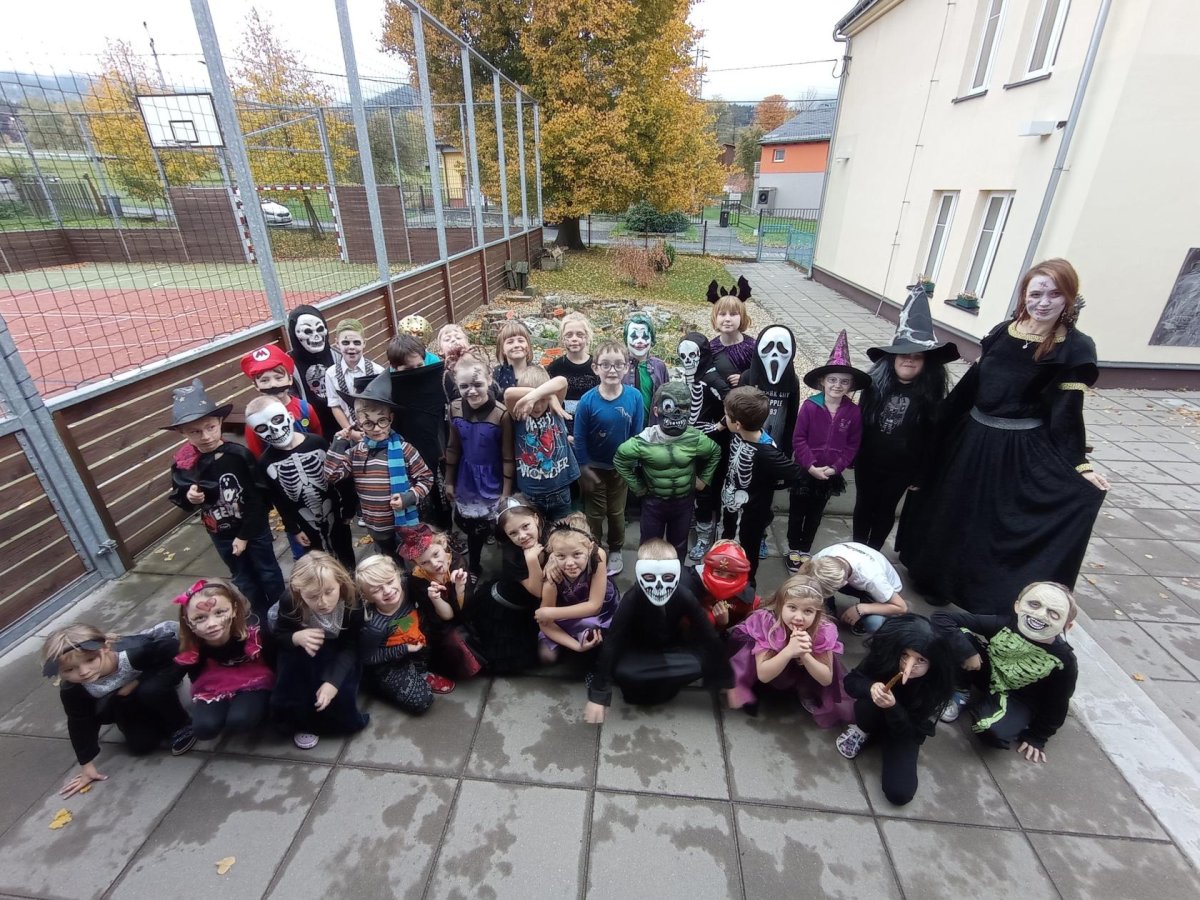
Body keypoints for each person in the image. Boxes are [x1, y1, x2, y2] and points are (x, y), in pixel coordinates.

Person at [899, 259, 1110, 614]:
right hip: (970, 439)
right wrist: (936, 419)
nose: (1043, 302)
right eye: (1036, 294)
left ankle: (983, 591)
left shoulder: (1074, 347)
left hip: (1015, 450)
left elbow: (1067, 413)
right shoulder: (1003, 331)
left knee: (991, 521)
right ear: (1024, 295)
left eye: (1055, 294)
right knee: (951, 510)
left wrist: (1079, 464)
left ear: (1069, 298)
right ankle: (935, 579)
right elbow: (974, 384)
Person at [165, 378, 284, 622]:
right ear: (182, 432)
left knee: (268, 572)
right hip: (221, 532)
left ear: (219, 422)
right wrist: (190, 497)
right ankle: (260, 617)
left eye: (210, 427)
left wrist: (244, 536)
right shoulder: (184, 463)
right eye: (195, 432)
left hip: (253, 529)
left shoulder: (238, 456)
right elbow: (182, 499)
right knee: (242, 577)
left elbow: (258, 497)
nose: (206, 436)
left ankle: (282, 612)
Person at [583, 539, 733, 723]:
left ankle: (655, 680)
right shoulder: (631, 599)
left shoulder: (684, 595)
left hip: (671, 650)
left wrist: (727, 677)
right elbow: (613, 642)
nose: (660, 586)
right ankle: (658, 681)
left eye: (668, 578)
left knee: (708, 660)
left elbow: (707, 635)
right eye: (650, 578)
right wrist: (599, 695)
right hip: (638, 654)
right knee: (623, 670)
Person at [854, 284, 958, 550]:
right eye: (904, 354)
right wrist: (851, 455)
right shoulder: (874, 388)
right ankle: (857, 549)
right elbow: (860, 423)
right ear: (892, 358)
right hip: (869, 461)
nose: (909, 360)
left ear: (926, 362)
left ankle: (874, 551)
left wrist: (922, 474)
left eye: (917, 356)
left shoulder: (930, 397)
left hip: (903, 468)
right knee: (864, 504)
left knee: (886, 508)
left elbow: (932, 439)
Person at [932, 582, 1079, 763]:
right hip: (988, 673)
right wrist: (968, 653)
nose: (1041, 614)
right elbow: (942, 618)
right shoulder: (1005, 623)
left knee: (991, 733)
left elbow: (1058, 702)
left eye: (1054, 613)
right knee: (957, 636)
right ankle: (960, 691)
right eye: (1034, 604)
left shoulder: (1064, 661)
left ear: (1067, 626)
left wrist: (1038, 736)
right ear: (1017, 606)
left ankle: (998, 711)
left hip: (1018, 697)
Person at [42, 621, 192, 797]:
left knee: (152, 690)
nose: (83, 672)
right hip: (124, 700)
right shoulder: (72, 689)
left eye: (90, 660)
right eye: (69, 670)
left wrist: (138, 682)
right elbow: (79, 721)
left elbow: (176, 651)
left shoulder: (136, 651)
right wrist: (86, 764)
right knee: (141, 745)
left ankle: (181, 724)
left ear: (105, 648)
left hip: (152, 674)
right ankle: (146, 710)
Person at [835, 614, 956, 806]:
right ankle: (862, 730)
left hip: (903, 727)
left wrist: (893, 708)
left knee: (899, 793)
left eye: (920, 660)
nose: (909, 667)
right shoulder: (886, 657)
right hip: (871, 712)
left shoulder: (935, 685)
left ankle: (883, 739)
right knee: (868, 705)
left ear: (933, 662)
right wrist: (870, 687)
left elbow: (915, 732)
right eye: (905, 655)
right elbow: (851, 682)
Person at [324, 372, 433, 558]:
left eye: (382, 421)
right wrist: (339, 442)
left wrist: (408, 497)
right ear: (358, 424)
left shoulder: (405, 450)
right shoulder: (356, 453)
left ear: (391, 418)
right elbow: (331, 475)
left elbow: (426, 478)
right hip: (376, 526)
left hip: (405, 525)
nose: (376, 429)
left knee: (411, 562)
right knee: (387, 560)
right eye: (368, 423)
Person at [785, 330, 867, 572]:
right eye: (832, 380)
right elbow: (798, 438)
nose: (837, 385)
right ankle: (793, 547)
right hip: (805, 471)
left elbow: (853, 444)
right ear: (823, 381)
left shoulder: (853, 412)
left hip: (830, 473)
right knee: (797, 511)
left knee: (815, 513)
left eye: (844, 381)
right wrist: (810, 465)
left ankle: (805, 548)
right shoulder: (810, 407)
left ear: (851, 385)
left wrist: (836, 468)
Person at [271, 552, 370, 750]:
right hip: (304, 647)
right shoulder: (290, 601)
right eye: (312, 596)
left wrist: (333, 682)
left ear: (340, 582)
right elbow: (279, 634)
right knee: (294, 685)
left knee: (339, 693)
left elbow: (352, 645)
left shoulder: (352, 599)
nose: (322, 602)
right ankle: (300, 722)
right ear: (299, 591)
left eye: (329, 592)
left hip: (340, 648)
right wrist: (296, 637)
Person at [614, 381, 720, 561]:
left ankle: (677, 576)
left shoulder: (695, 438)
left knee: (679, 545)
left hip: (683, 502)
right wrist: (637, 486)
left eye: (683, 407)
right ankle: (647, 576)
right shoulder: (644, 440)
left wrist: (703, 479)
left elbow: (715, 452)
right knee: (649, 546)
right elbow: (620, 459)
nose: (677, 412)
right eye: (670, 406)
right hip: (654, 503)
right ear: (657, 411)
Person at [248, 396, 356, 571]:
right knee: (317, 564)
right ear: (257, 433)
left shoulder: (317, 443)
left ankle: (351, 585)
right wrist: (294, 529)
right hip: (305, 524)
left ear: (290, 417)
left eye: (277, 420)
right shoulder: (266, 462)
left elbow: (339, 477)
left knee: (345, 554)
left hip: (336, 515)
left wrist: (349, 509)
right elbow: (278, 500)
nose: (274, 430)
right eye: (262, 428)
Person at [727, 575, 851, 726]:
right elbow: (764, 675)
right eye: (792, 607)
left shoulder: (823, 629)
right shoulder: (765, 621)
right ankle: (751, 686)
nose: (799, 617)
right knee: (749, 653)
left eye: (808, 611)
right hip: (763, 661)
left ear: (817, 613)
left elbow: (826, 678)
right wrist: (790, 650)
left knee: (825, 663)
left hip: (798, 661)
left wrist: (804, 654)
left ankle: (806, 690)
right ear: (781, 605)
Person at [718, 386, 804, 584]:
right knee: (726, 550)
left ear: (737, 424)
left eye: (726, 416)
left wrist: (770, 485)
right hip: (730, 509)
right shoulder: (740, 432)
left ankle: (746, 591)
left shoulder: (767, 452)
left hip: (749, 517)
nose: (724, 419)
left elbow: (795, 473)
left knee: (744, 560)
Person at [573, 341, 644, 576]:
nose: (612, 370)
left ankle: (615, 549)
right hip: (593, 468)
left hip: (620, 469)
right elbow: (580, 436)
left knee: (616, 512)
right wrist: (583, 466)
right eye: (605, 365)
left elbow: (637, 433)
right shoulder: (587, 401)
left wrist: (632, 463)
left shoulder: (634, 397)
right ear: (595, 368)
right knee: (594, 514)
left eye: (618, 365)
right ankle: (594, 548)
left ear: (627, 367)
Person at [174, 579, 274, 744]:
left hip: (254, 678)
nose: (211, 624)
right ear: (188, 622)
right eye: (200, 617)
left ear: (234, 609)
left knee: (240, 720)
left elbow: (276, 663)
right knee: (204, 728)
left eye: (220, 612)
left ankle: (257, 710)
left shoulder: (255, 634)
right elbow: (194, 674)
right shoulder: (193, 645)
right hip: (215, 681)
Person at [445, 349, 514, 577]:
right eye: (464, 386)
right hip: (467, 478)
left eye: (477, 384)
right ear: (457, 385)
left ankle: (509, 572)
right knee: (473, 530)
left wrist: (506, 492)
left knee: (500, 526)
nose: (472, 391)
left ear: (489, 379)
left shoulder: (501, 414)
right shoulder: (455, 408)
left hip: (493, 477)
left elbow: (507, 455)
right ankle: (474, 566)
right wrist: (449, 481)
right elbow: (453, 447)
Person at [467, 495, 545, 674]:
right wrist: (532, 560)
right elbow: (537, 591)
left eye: (525, 526)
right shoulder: (512, 556)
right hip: (507, 606)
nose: (522, 536)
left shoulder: (547, 535)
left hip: (527, 605)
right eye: (513, 533)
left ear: (535, 518)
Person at [398, 525, 481, 685]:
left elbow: (467, 607)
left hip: (465, 609)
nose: (435, 564)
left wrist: (459, 587)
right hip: (440, 619)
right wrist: (435, 599)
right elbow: (447, 617)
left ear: (443, 544)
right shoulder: (418, 579)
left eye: (436, 554)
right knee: (453, 640)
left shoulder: (457, 561)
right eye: (425, 562)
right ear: (417, 564)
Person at [355, 555, 436, 715]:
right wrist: (403, 649)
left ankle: (418, 669)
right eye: (376, 589)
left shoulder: (407, 585)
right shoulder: (374, 627)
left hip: (411, 636)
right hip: (386, 661)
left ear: (398, 575)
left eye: (390, 581)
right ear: (367, 596)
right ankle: (375, 685)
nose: (387, 591)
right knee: (423, 701)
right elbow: (366, 658)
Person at [678, 331, 734, 561]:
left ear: (702, 355)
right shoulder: (688, 378)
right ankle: (696, 523)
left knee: (705, 490)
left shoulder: (711, 379)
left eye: (692, 355)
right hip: (689, 441)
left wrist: (719, 426)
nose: (687, 361)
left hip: (709, 444)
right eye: (683, 355)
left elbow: (734, 401)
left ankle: (704, 536)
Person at [536, 515, 619, 663]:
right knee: (547, 656)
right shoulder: (552, 575)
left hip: (598, 609)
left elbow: (595, 606)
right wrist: (576, 646)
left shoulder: (597, 555)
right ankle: (574, 642)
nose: (570, 563)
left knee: (597, 643)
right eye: (561, 556)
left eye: (577, 554)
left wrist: (550, 612)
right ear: (552, 553)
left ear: (590, 548)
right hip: (566, 610)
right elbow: (545, 623)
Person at [505, 368, 579, 523]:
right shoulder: (519, 413)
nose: (538, 406)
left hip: (560, 491)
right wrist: (545, 394)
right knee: (536, 531)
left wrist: (543, 396)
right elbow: (508, 394)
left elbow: (562, 381)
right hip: (531, 494)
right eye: (534, 402)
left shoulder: (554, 408)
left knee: (561, 532)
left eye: (543, 400)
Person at [805, 542, 909, 634]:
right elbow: (803, 572)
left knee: (874, 623)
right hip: (857, 577)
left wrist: (861, 609)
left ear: (844, 583)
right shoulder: (821, 558)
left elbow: (901, 607)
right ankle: (829, 611)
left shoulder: (873, 578)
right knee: (812, 588)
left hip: (886, 591)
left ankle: (864, 616)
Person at [240, 343, 321, 458]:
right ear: (256, 385)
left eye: (278, 378)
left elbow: (318, 437)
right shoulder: (255, 419)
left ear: (290, 379)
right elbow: (257, 454)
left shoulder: (304, 408)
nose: (273, 384)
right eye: (264, 380)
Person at [680, 539, 759, 630]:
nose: (723, 579)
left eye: (731, 575)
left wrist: (723, 624)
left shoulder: (745, 600)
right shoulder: (687, 585)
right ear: (708, 568)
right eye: (718, 572)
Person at [287, 304, 339, 436]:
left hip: (342, 422)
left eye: (320, 329)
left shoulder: (338, 356)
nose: (316, 336)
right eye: (307, 331)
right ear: (294, 334)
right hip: (309, 429)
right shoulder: (288, 364)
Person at [325, 318, 383, 431]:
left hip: (376, 429)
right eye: (345, 343)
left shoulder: (377, 371)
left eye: (356, 342)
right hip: (351, 430)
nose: (351, 347)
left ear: (364, 343)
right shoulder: (331, 374)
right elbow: (335, 406)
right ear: (337, 343)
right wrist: (351, 432)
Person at [547, 312, 600, 415]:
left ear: (587, 337)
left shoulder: (597, 365)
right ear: (562, 338)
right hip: (564, 420)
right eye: (569, 335)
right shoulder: (555, 367)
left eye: (579, 334)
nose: (574, 339)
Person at [621, 312, 669, 420]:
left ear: (652, 339)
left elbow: (667, 397)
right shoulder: (618, 366)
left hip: (653, 426)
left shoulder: (659, 367)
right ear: (626, 338)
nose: (640, 341)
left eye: (645, 337)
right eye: (634, 336)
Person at [708, 293, 756, 386]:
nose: (727, 319)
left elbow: (762, 373)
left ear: (742, 317)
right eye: (722, 314)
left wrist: (745, 378)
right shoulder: (711, 348)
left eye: (733, 314)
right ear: (715, 318)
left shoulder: (752, 346)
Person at [492, 321, 535, 391]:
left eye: (521, 341)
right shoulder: (496, 374)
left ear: (528, 346)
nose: (516, 345)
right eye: (510, 342)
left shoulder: (537, 371)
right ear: (502, 349)